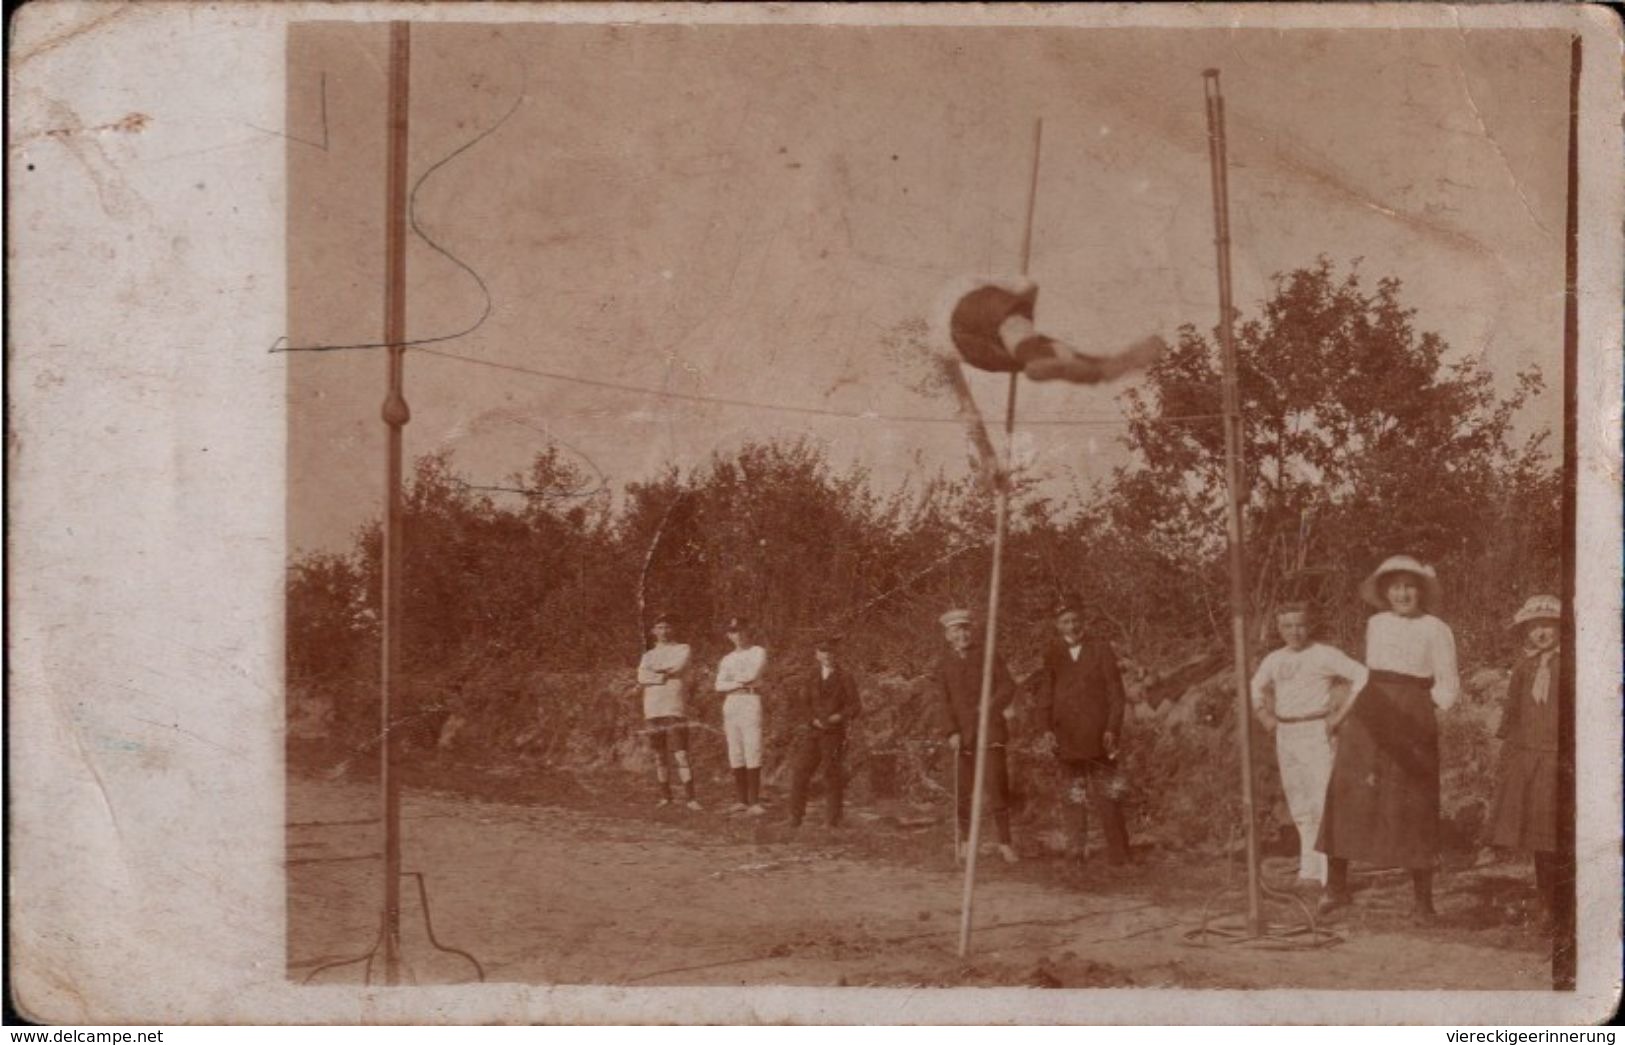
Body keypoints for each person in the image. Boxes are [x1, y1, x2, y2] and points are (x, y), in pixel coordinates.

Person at [1318, 555, 1460, 923]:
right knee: (1348, 791)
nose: (1402, 593)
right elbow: (1366, 675)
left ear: (1422, 591)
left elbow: (1448, 685)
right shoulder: (1376, 623)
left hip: (1413, 711)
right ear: (1385, 591)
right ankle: (1336, 888)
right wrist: (1345, 711)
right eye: (1395, 586)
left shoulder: (1436, 628)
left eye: (1409, 586)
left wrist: (1421, 708)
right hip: (1371, 707)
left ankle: (1423, 903)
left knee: (1414, 799)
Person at [1249, 602, 1369, 888]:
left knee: (1320, 802)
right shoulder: (1274, 659)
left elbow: (1363, 676)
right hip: (1286, 732)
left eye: (1300, 625)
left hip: (1316, 731)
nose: (1295, 631)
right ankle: (1309, 871)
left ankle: (1329, 877)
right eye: (1288, 626)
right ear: (1279, 629)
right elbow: (1256, 686)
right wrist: (1264, 714)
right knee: (1299, 804)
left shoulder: (1324, 654)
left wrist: (1339, 715)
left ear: (1310, 625)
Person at [1033, 595, 1132, 866]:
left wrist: (1113, 727)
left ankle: (1119, 854)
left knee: (1108, 795)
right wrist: (1045, 730)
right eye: (1065, 621)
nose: (1072, 626)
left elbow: (1116, 693)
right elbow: (1046, 694)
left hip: (1101, 737)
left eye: (1076, 620)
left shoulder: (1101, 649)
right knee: (1072, 795)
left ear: (1084, 621)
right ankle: (1076, 852)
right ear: (1058, 625)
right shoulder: (1053, 654)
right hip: (1066, 738)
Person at [1488, 594, 1563, 929]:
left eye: (1548, 625)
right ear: (1526, 632)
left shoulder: (1571, 665)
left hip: (1559, 759)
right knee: (1540, 840)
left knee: (1562, 835)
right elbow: (1513, 716)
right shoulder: (1524, 668)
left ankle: (1570, 905)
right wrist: (1509, 760)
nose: (1542, 633)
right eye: (1534, 627)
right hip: (1529, 761)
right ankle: (1546, 904)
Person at [932, 608, 1019, 865]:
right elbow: (942, 702)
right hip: (962, 737)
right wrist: (951, 732)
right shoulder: (943, 664)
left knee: (997, 788)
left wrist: (988, 708)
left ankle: (1005, 844)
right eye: (956, 630)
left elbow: (1008, 686)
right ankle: (967, 843)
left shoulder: (988, 655)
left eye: (965, 629)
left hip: (990, 732)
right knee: (964, 792)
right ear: (948, 635)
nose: (962, 634)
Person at [787, 635, 863, 829]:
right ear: (817, 655)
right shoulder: (810, 676)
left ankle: (832, 819)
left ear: (836, 654)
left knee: (832, 774)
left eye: (830, 652)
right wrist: (811, 719)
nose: (827, 656)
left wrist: (839, 717)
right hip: (813, 732)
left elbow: (854, 705)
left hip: (834, 733)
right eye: (823, 652)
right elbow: (803, 704)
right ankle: (795, 817)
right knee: (800, 771)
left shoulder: (845, 676)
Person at [635, 614, 701, 810]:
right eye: (659, 627)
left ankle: (691, 798)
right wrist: (662, 675)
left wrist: (653, 675)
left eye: (667, 627)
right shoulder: (648, 655)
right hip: (652, 707)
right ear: (653, 631)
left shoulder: (683, 648)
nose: (663, 631)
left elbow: (678, 668)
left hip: (674, 705)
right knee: (659, 754)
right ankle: (666, 796)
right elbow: (641, 677)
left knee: (681, 753)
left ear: (672, 630)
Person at [714, 616, 769, 815]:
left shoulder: (758, 652)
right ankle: (741, 800)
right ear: (729, 635)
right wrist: (738, 683)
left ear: (749, 631)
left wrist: (735, 681)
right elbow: (718, 685)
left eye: (742, 630)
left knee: (752, 747)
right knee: (735, 749)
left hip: (750, 700)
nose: (739, 635)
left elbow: (753, 676)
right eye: (734, 632)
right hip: (731, 702)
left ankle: (754, 801)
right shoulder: (726, 659)